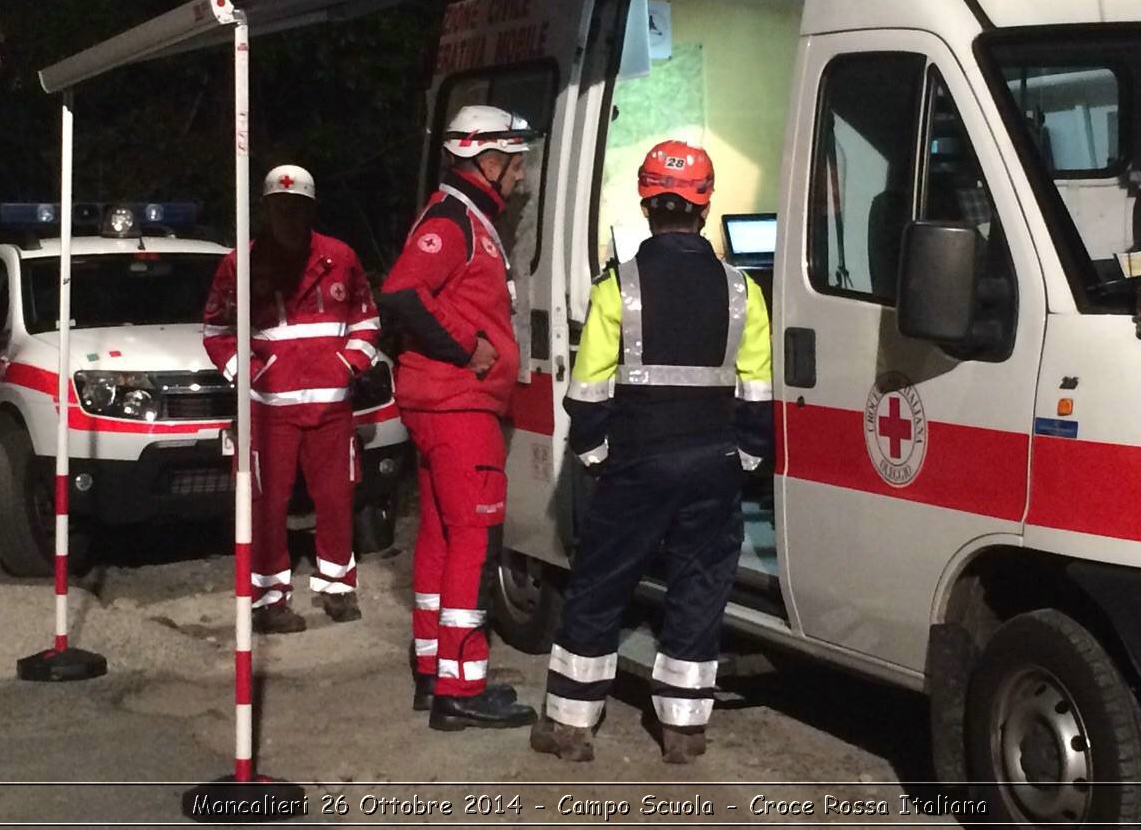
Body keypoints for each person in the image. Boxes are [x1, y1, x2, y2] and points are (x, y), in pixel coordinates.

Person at [530, 140, 773, 763]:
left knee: (602, 582)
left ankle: (569, 726)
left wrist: (596, 457)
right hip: (713, 465)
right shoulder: (744, 291)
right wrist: (742, 460)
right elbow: (756, 394)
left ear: (645, 204)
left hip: (637, 464)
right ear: (705, 204)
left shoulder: (618, 288)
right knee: (699, 585)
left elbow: (585, 397)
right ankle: (683, 729)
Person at [378, 105, 538, 731]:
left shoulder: (463, 216)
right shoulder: (452, 219)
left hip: (442, 402)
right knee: (476, 538)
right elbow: (401, 291)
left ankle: (432, 670)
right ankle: (460, 688)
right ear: (486, 160)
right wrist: (467, 346)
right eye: (515, 161)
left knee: (444, 536)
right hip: (457, 402)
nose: (520, 175)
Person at [203, 164, 381, 634]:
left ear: (311, 210)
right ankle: (268, 598)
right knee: (266, 503)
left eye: (297, 207)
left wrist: (349, 366)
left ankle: (337, 587)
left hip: (331, 408)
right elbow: (217, 330)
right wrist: (251, 375)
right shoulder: (240, 263)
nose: (288, 217)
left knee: (337, 498)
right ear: (266, 209)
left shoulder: (340, 257)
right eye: (279, 207)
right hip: (270, 412)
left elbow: (366, 320)